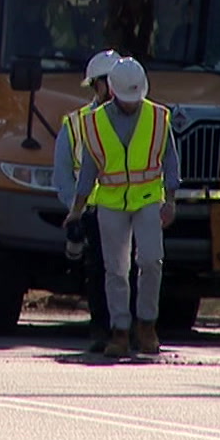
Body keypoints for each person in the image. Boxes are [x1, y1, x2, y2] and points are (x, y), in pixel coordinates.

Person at [65, 57, 180, 359]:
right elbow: (88, 170)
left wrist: (170, 201)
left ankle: (147, 325)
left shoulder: (158, 118)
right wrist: (77, 209)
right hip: (111, 203)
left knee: (152, 261)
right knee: (116, 269)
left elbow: (170, 160)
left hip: (147, 202)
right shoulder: (96, 123)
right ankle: (119, 330)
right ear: (113, 91)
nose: (131, 105)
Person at [54, 49, 124, 351]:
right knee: (98, 270)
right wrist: (76, 212)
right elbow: (63, 176)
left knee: (130, 269)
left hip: (129, 208)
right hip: (95, 211)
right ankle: (101, 329)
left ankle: (128, 329)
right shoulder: (76, 124)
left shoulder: (142, 118)